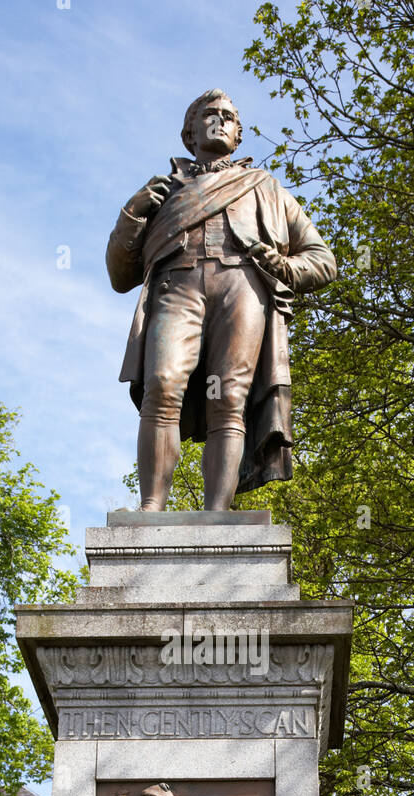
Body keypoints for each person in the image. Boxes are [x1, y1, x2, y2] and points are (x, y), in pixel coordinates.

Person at [106, 89, 337, 510]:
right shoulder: (161, 191)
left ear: (238, 134)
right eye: (208, 114)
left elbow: (323, 261)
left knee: (228, 398)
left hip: (242, 287)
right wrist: (133, 214)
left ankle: (218, 514)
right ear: (188, 131)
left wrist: (284, 268)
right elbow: (119, 276)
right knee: (161, 385)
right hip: (176, 287)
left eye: (228, 116)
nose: (219, 120)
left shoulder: (265, 187)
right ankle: (151, 507)